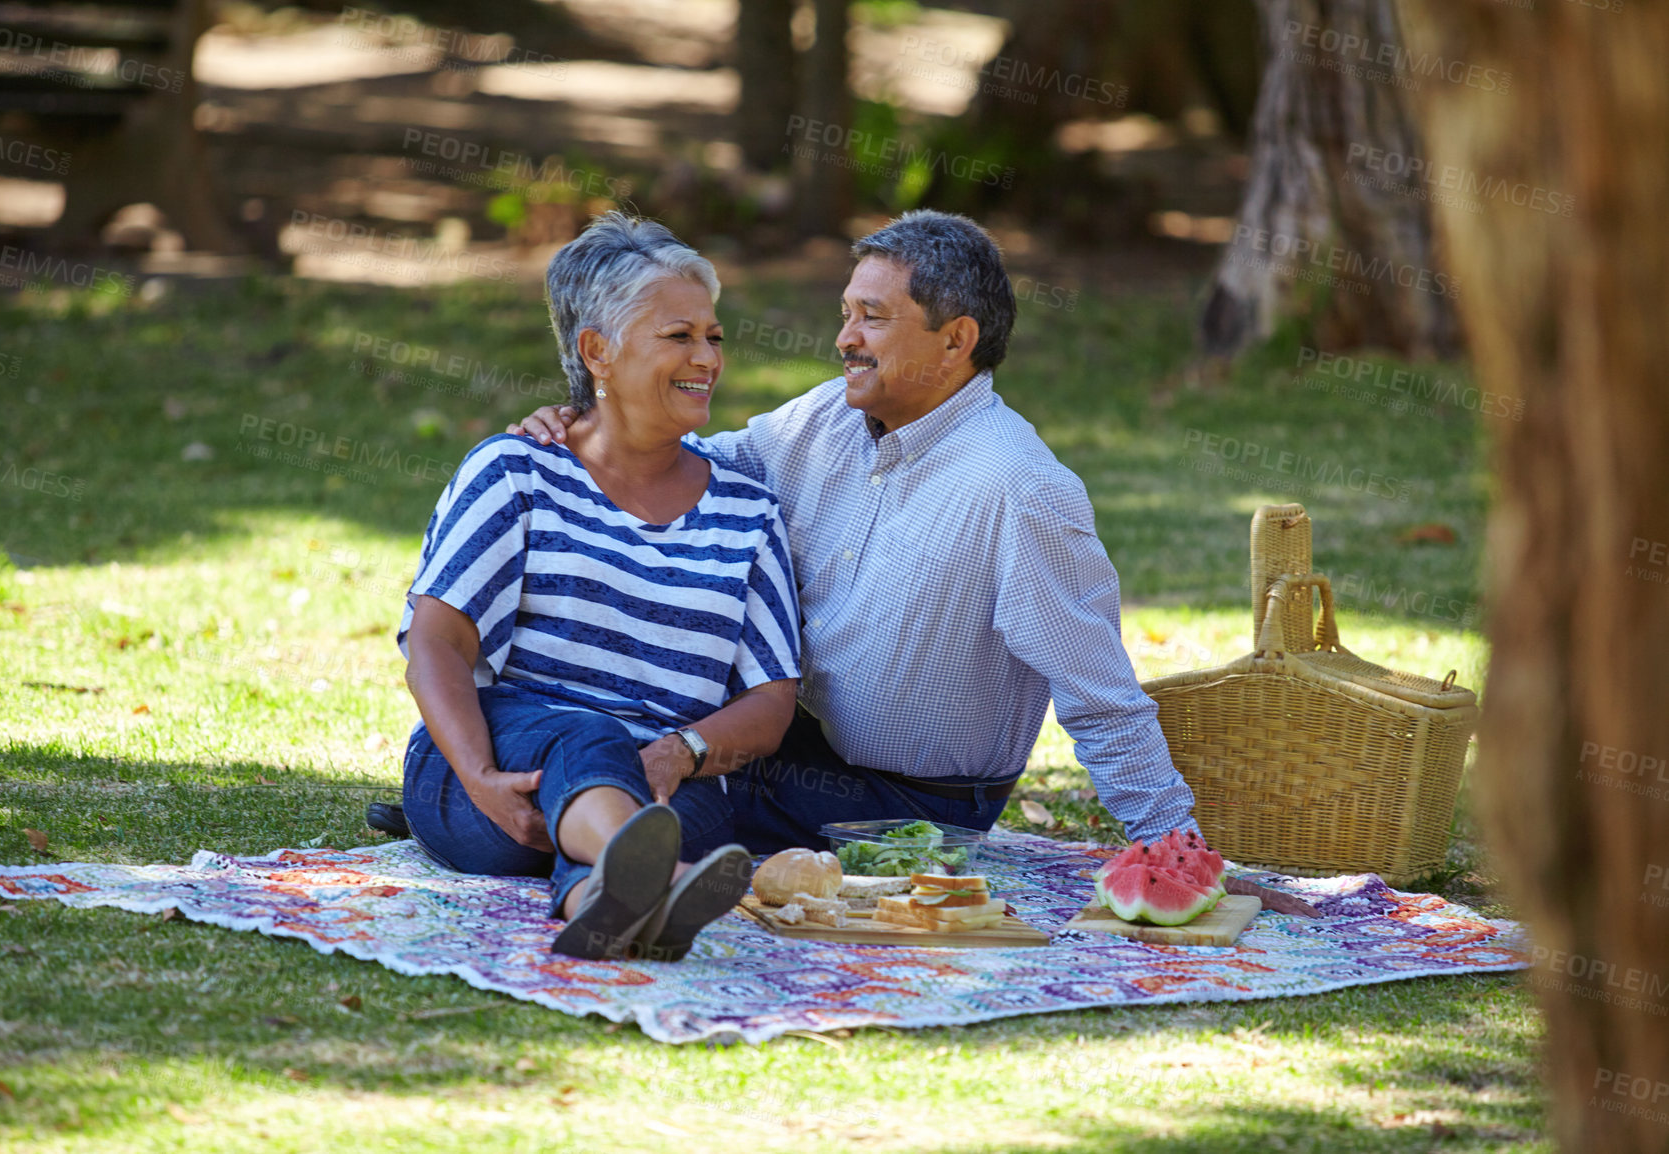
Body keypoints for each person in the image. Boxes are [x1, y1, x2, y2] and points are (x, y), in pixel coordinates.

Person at [510, 210, 1318, 918]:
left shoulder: (1019, 487)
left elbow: (1101, 697)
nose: (843, 339)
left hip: (907, 805)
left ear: (955, 340)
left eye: (871, 317)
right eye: (845, 313)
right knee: (614, 743)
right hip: (791, 749)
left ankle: (564, 860)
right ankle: (514, 812)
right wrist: (584, 427)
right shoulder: (829, 413)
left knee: (654, 808)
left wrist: (1179, 851)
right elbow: (695, 467)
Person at [394, 211, 803, 961]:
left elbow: (773, 700)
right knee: (592, 736)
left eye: (713, 336)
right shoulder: (515, 471)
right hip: (493, 773)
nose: (707, 357)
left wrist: (682, 751)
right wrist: (481, 776)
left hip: (668, 789)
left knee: (674, 801)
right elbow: (436, 643)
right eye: (678, 336)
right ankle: (647, 870)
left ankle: (602, 894)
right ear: (598, 353)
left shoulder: (749, 513)